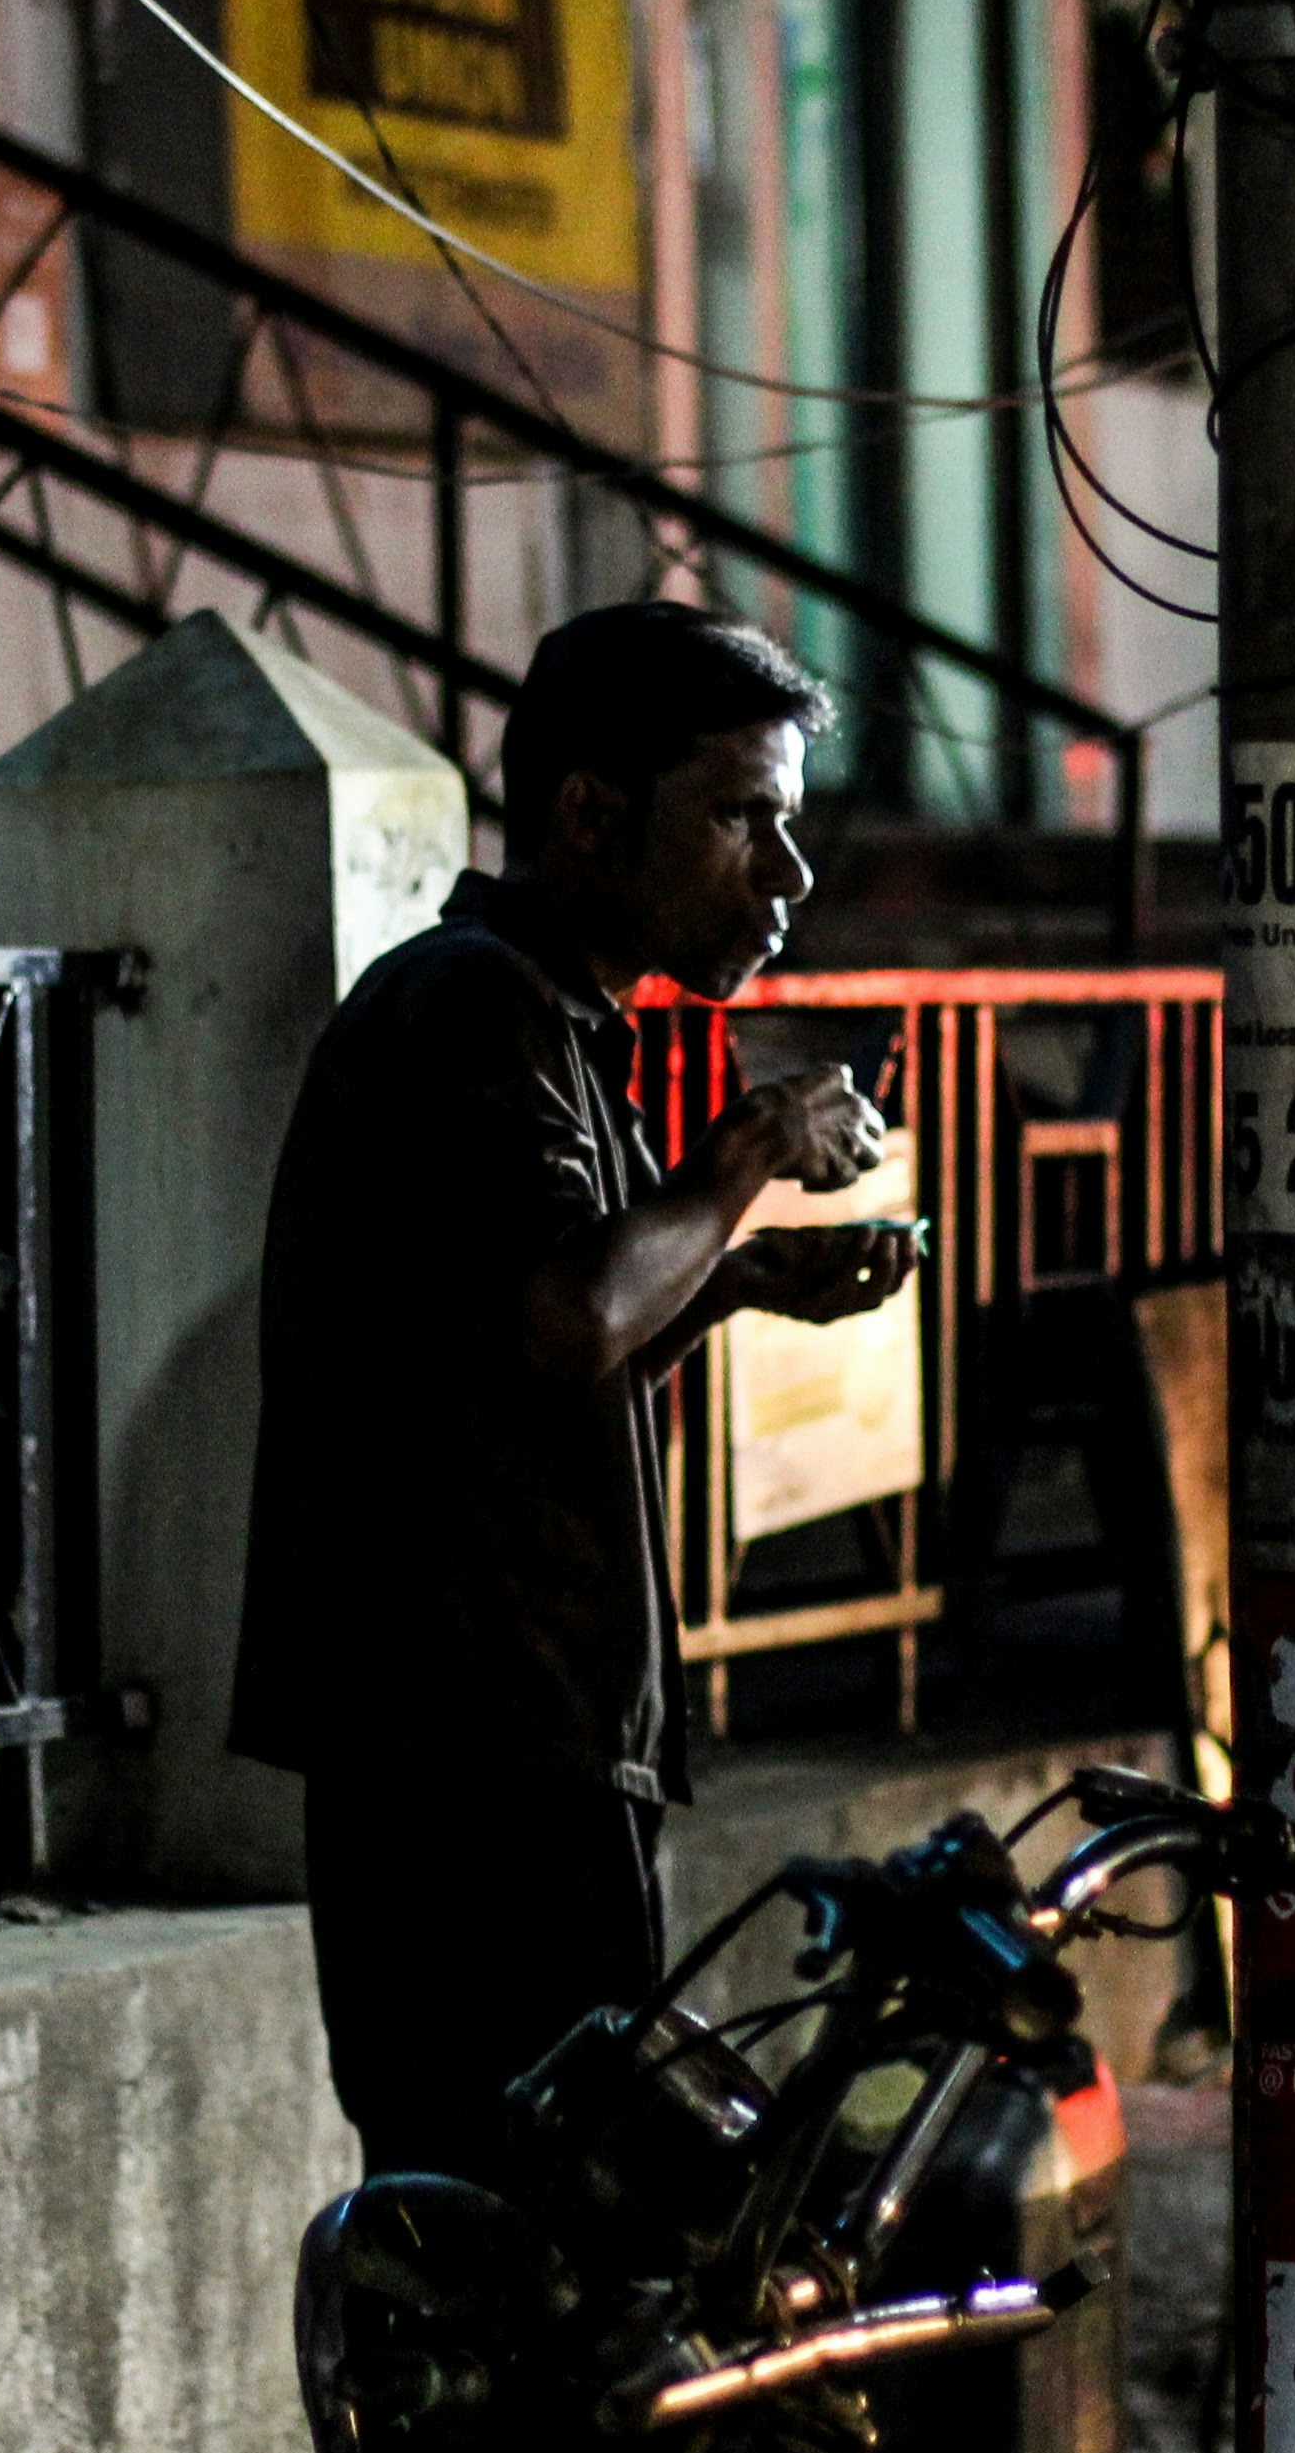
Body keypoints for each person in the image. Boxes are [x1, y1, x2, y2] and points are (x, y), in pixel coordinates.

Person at [231, 600, 922, 2182]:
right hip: (466, 1766)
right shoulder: (467, 1007)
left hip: (514, 1748)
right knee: (525, 2226)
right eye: (741, 817)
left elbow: (520, 1355)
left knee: (571, 2227)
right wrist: (748, 1156)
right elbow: (562, 1321)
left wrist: (732, 1278)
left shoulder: (549, 1021)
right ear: (591, 815)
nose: (786, 874)